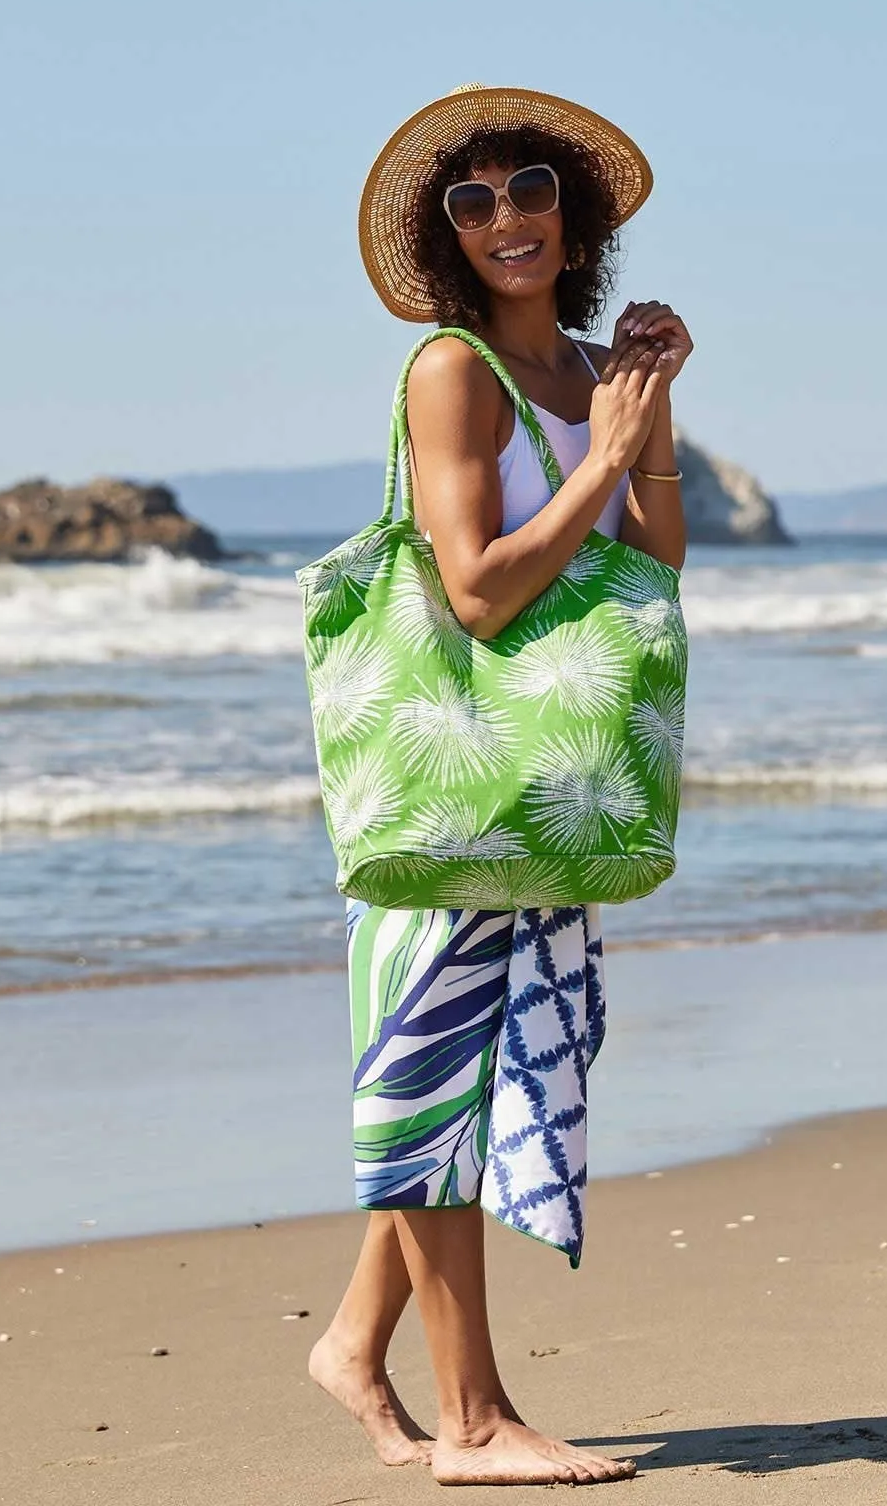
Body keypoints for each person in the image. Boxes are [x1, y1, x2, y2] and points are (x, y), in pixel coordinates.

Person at [307, 84, 691, 1486]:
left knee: (465, 1076)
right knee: (427, 1084)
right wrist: (596, 459)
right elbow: (473, 593)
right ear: (445, 234)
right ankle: (471, 1422)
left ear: (573, 215)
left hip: (542, 791)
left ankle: (355, 1343)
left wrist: (644, 417)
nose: (506, 218)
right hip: (449, 790)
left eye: (530, 189)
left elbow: (657, 561)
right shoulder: (448, 371)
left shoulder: (600, 370)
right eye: (472, 201)